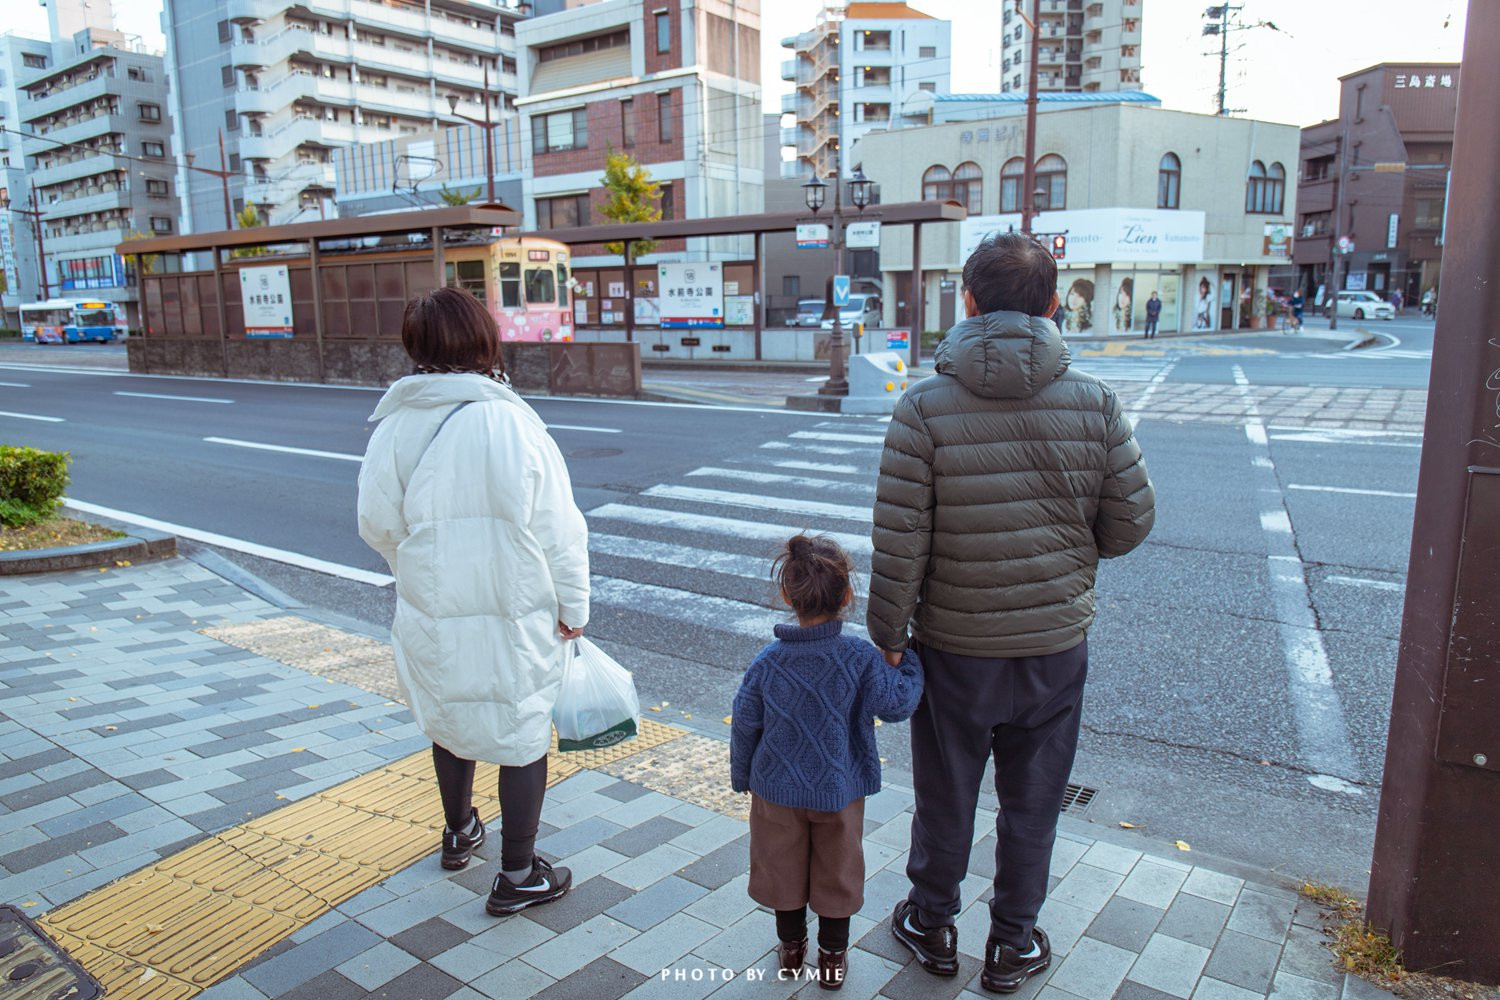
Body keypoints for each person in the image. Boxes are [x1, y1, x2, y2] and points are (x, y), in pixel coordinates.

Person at [868, 232, 1155, 994]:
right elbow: (1130, 525)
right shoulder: (1095, 403)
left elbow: (900, 540)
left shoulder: (923, 406)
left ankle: (930, 922)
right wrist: (1068, 555)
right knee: (1033, 803)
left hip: (955, 646)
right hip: (1055, 645)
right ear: (1054, 305)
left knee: (945, 793)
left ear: (967, 302)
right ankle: (1012, 944)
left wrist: (887, 636)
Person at [357, 286, 589, 918]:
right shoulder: (514, 421)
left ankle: (459, 832)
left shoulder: (397, 423)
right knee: (519, 728)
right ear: (485, 341)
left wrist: (421, 567)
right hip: (516, 610)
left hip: (433, 608)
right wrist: (575, 608)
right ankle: (518, 873)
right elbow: (561, 532)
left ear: (417, 347)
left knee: (449, 711)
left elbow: (375, 523)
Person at [732, 535, 923, 991]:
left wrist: (743, 777)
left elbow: (744, 722)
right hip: (839, 788)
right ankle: (833, 960)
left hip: (775, 787)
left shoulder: (768, 661)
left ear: (787, 596)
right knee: (839, 869)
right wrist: (910, 662)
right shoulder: (858, 656)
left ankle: (792, 950)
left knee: (782, 866)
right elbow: (896, 704)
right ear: (847, 597)